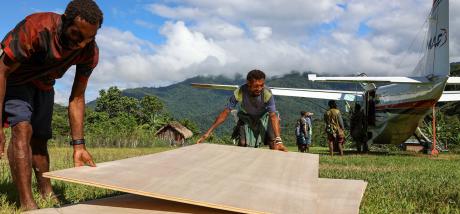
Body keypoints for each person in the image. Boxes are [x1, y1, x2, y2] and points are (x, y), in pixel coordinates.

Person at [0, 0, 103, 210]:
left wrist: (79, 145)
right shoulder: (37, 28)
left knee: (40, 139)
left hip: (45, 85)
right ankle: (27, 203)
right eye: (76, 35)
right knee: (22, 129)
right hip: (14, 81)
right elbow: (1, 71)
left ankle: (46, 191)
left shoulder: (88, 51)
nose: (81, 44)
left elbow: (77, 98)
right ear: (64, 22)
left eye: (88, 38)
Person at [197, 69, 286, 152]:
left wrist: (279, 140)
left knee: (273, 142)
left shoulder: (267, 93)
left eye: (262, 85)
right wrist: (207, 133)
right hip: (247, 117)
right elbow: (225, 112)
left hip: (264, 117)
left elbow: (273, 116)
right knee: (242, 143)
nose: (259, 89)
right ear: (248, 84)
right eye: (256, 86)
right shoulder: (240, 92)